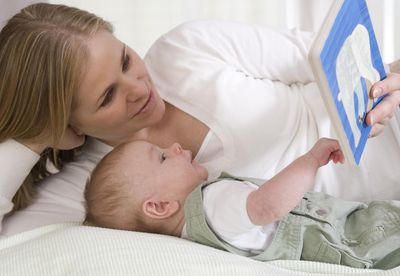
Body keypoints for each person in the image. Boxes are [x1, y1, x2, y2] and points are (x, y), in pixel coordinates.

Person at [1, 3, 400, 237]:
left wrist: (392, 79)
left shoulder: (186, 49)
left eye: (125, 59)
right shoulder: (97, 187)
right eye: (107, 97)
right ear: (70, 127)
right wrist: (33, 138)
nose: (139, 88)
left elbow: (350, 55)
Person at [85, 138, 400, 269]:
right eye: (164, 157)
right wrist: (312, 159)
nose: (176, 146)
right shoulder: (210, 201)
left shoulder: (196, 240)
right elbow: (266, 208)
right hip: (355, 241)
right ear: (159, 207)